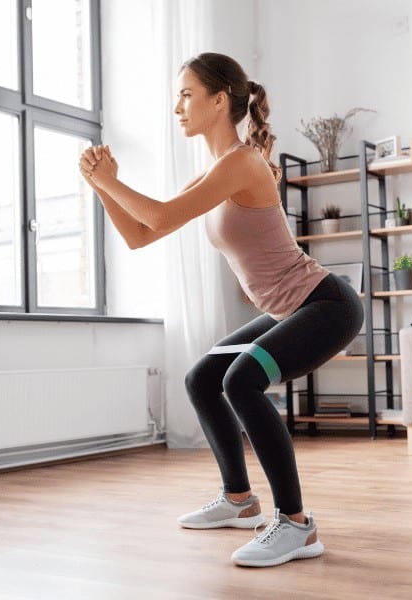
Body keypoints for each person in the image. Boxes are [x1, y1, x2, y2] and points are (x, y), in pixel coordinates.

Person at [79, 52, 363, 568]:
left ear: (219, 100)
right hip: (289, 310)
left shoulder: (241, 163)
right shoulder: (217, 169)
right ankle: (239, 500)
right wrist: (102, 189)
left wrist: (109, 181)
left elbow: (158, 214)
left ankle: (297, 525)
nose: (177, 107)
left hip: (326, 305)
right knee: (202, 379)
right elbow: (144, 234)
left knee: (240, 381)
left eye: (186, 94)